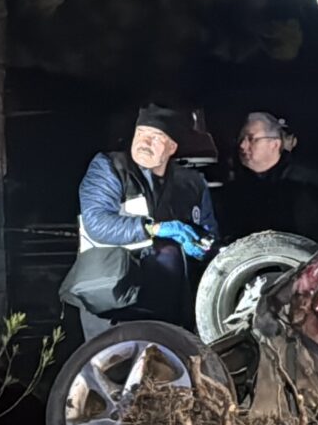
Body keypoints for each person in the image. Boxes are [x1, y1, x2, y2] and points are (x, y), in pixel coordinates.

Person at [75, 102, 215, 336]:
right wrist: (154, 229)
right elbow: (97, 222)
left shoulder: (192, 183)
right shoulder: (109, 168)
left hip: (170, 307)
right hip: (113, 302)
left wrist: (203, 248)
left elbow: (209, 233)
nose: (145, 142)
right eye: (141, 133)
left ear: (172, 147)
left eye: (156, 137)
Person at [211, 111, 318, 244]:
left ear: (275, 144)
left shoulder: (304, 183)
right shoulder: (234, 190)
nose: (242, 145)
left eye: (252, 139)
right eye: (240, 139)